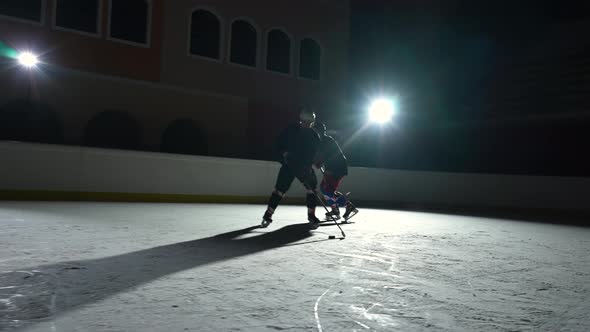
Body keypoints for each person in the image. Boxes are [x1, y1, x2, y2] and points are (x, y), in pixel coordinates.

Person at [261, 109, 322, 228]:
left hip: (304, 167)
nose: (307, 124)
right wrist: (283, 153)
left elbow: (316, 152)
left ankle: (311, 215)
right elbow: (278, 144)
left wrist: (317, 162)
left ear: (312, 122)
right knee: (279, 190)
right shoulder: (291, 130)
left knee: (312, 190)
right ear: (301, 120)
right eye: (305, 122)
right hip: (289, 165)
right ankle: (268, 215)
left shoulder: (314, 135)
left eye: (309, 122)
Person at [314, 122, 358, 221]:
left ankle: (348, 206)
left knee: (327, 190)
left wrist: (321, 163)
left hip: (337, 167)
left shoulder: (326, 141)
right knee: (325, 188)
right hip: (334, 167)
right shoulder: (322, 141)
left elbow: (331, 155)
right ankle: (335, 209)